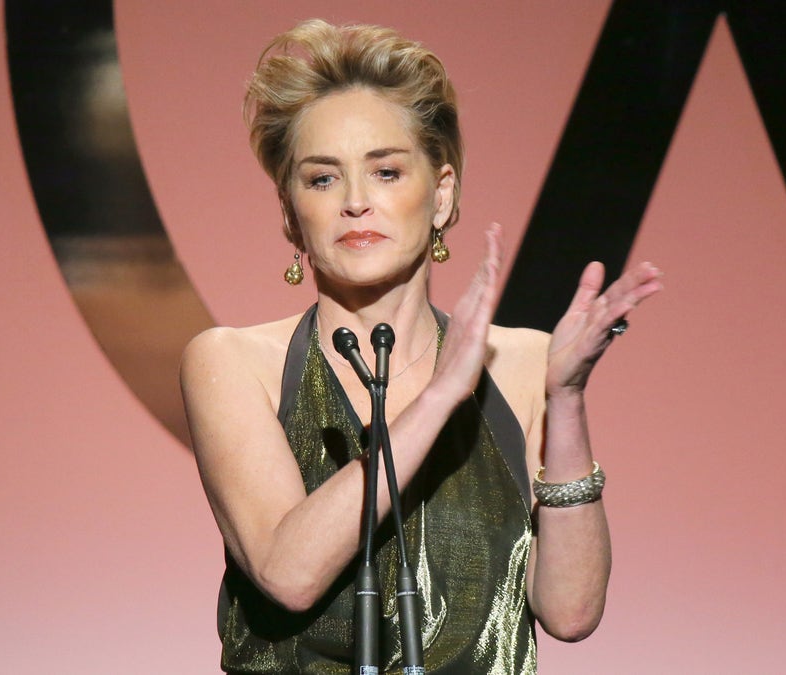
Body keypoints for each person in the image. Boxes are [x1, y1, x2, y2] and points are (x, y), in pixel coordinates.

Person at [181, 19, 662, 674]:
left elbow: (571, 612)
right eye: (322, 179)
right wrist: (441, 395)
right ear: (291, 214)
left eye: (384, 171)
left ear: (440, 196)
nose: (355, 202)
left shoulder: (521, 362)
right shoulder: (234, 362)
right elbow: (287, 571)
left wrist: (567, 399)